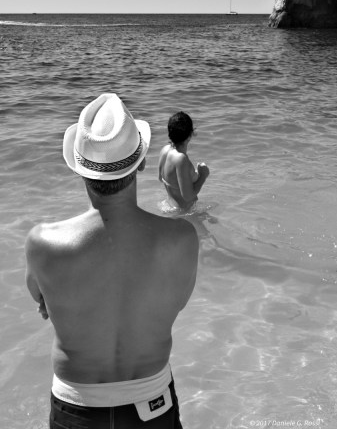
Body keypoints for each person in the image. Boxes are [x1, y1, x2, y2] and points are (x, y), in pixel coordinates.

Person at [25, 93, 199, 428]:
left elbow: (42, 301)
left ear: (78, 168)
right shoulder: (182, 239)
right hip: (152, 404)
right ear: (142, 163)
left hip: (75, 408)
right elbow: (177, 301)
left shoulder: (42, 243)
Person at [158, 111, 210, 211]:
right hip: (182, 212)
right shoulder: (181, 159)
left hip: (168, 206)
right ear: (190, 135)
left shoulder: (164, 150)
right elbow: (188, 197)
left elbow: (161, 178)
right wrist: (203, 176)